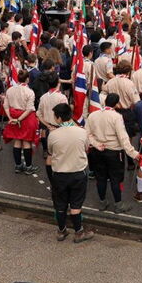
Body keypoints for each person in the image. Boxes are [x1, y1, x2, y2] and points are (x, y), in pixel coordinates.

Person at [47, 102, 93, 242]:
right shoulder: (81, 131)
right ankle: (78, 232)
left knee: (60, 205)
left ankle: (61, 231)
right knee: (76, 204)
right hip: (78, 173)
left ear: (59, 118)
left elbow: (50, 152)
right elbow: (86, 148)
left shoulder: (53, 135)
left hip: (59, 174)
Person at [86, 92, 139, 213]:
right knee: (115, 179)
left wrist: (96, 144)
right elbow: (123, 138)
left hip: (97, 151)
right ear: (116, 104)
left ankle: (102, 202)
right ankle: (118, 204)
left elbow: (87, 134)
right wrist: (134, 154)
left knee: (100, 178)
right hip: (114, 152)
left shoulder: (93, 115)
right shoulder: (116, 117)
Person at [2, 69, 39, 174]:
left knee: (17, 141)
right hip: (25, 118)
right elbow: (29, 109)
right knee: (26, 141)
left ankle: (18, 166)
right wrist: (18, 119)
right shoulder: (30, 92)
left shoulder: (10, 90)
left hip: (13, 117)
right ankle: (28, 167)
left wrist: (11, 118)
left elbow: (5, 105)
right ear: (27, 79)